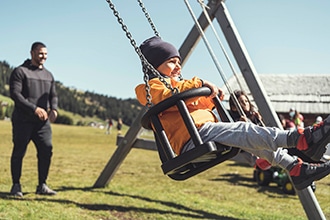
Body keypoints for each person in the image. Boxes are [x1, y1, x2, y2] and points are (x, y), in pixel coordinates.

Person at [135, 36, 330, 191]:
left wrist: (210, 94)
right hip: (192, 138)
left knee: (252, 139)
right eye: (171, 62)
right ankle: (301, 138)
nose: (178, 66)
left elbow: (198, 101)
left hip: (205, 131)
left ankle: (296, 168)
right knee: (244, 129)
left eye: (179, 61)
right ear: (153, 65)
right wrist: (199, 84)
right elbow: (166, 96)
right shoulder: (148, 88)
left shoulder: (180, 86)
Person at [9, 42, 58, 197]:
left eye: (45, 54)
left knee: (46, 151)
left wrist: (54, 109)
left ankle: (42, 185)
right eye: (40, 53)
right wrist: (34, 109)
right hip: (23, 121)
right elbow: (16, 95)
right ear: (32, 53)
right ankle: (16, 185)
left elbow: (53, 95)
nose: (44, 56)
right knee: (19, 152)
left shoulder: (48, 75)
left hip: (42, 124)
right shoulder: (20, 71)